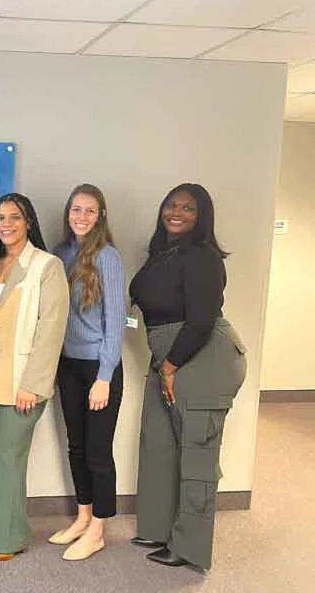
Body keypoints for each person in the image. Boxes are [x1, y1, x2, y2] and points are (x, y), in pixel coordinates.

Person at [129, 183, 247, 570]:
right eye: (171, 205)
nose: (176, 212)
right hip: (167, 356)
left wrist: (170, 366)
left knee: (197, 454)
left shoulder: (203, 257)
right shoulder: (163, 253)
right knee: (159, 445)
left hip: (201, 358)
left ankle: (190, 547)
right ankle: (159, 529)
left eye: (188, 208)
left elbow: (200, 321)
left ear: (202, 217)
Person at [0, 193, 69, 561]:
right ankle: (11, 529)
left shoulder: (47, 266)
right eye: (0, 218)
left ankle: (3, 541)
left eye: (15, 217)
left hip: (21, 377)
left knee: (4, 454)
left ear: (29, 222)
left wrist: (33, 384)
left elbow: (51, 329)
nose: (6, 224)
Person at [49, 184, 125, 561]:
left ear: (101, 216)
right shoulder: (60, 253)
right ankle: (82, 518)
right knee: (76, 446)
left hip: (99, 367)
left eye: (90, 211)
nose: (81, 216)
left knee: (97, 451)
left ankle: (98, 530)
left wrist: (104, 376)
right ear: (68, 213)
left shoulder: (108, 256)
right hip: (67, 365)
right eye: (76, 209)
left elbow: (116, 320)